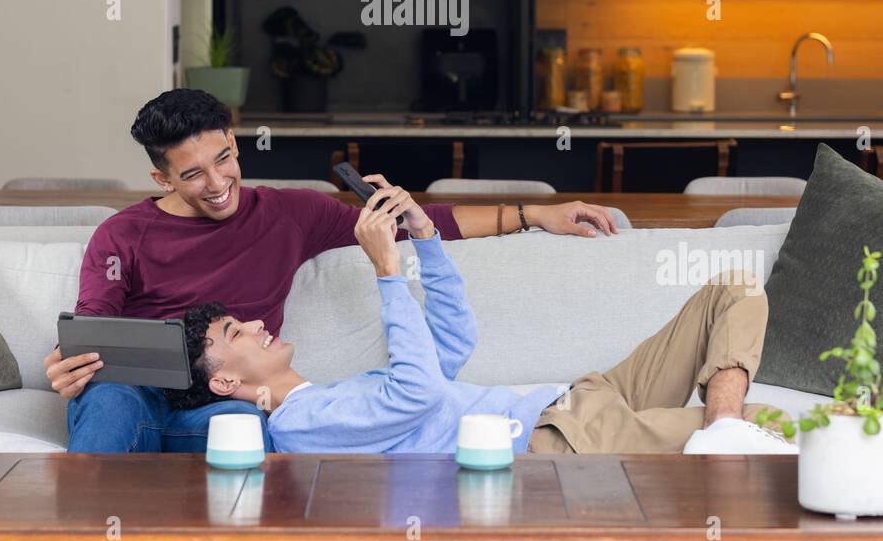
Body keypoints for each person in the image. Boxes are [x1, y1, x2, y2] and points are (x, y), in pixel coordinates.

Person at [47, 88, 616, 454]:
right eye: (193, 175)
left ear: (236, 145)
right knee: (109, 400)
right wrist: (71, 362)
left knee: (263, 433)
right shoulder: (121, 236)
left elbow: (417, 219)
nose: (218, 184)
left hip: (230, 402)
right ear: (163, 180)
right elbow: (94, 327)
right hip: (140, 396)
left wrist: (535, 213)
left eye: (224, 159)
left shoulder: (289, 214)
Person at [167, 184, 796, 458]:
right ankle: (726, 431)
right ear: (225, 384)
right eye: (234, 334)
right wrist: (386, 271)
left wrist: (423, 241)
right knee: (774, 427)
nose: (253, 325)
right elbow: (419, 390)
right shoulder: (302, 426)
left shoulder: (330, 397)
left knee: (734, 287)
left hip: (582, 398)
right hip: (557, 440)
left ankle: (719, 432)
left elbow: (453, 343)